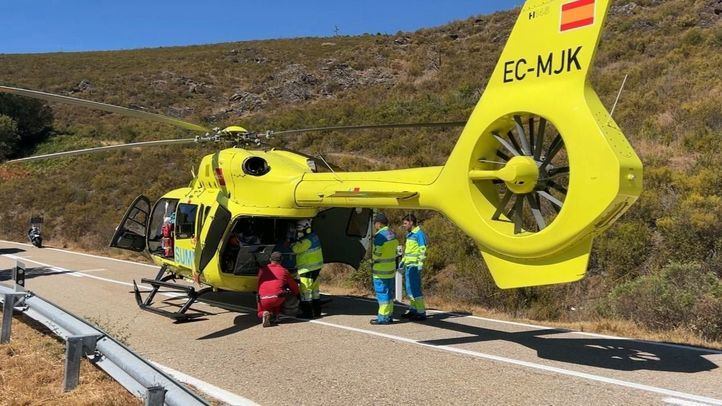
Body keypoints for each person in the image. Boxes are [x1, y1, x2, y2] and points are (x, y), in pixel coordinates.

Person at [291, 218, 324, 319]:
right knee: (315, 291)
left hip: (307, 269)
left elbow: (295, 249)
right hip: (316, 267)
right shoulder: (314, 236)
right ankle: (317, 311)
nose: (299, 233)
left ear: (306, 229)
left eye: (300, 231)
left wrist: (293, 242)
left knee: (306, 291)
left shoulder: (306, 241)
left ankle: (307, 313)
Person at [369, 212, 398, 325]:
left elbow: (377, 254)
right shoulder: (392, 234)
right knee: (389, 293)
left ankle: (383, 317)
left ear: (379, 224)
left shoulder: (379, 237)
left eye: (375, 223)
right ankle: (388, 314)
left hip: (380, 271)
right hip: (390, 269)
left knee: (382, 294)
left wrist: (371, 260)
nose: (375, 226)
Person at [257, 251, 300, 327]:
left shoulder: (262, 270)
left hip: (263, 298)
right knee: (279, 293)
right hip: (277, 298)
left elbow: (259, 284)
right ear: (281, 260)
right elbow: (293, 286)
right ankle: (276, 315)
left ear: (270, 259)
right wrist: (297, 294)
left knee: (260, 311)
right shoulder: (284, 271)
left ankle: (264, 313)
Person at [400, 214, 428, 321]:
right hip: (408, 265)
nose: (404, 225)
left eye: (405, 223)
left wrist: (420, 263)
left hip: (415, 266)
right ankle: (413, 309)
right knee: (409, 289)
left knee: (415, 289)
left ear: (411, 223)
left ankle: (421, 312)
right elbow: (409, 251)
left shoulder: (418, 234)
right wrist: (403, 260)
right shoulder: (410, 235)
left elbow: (423, 249)